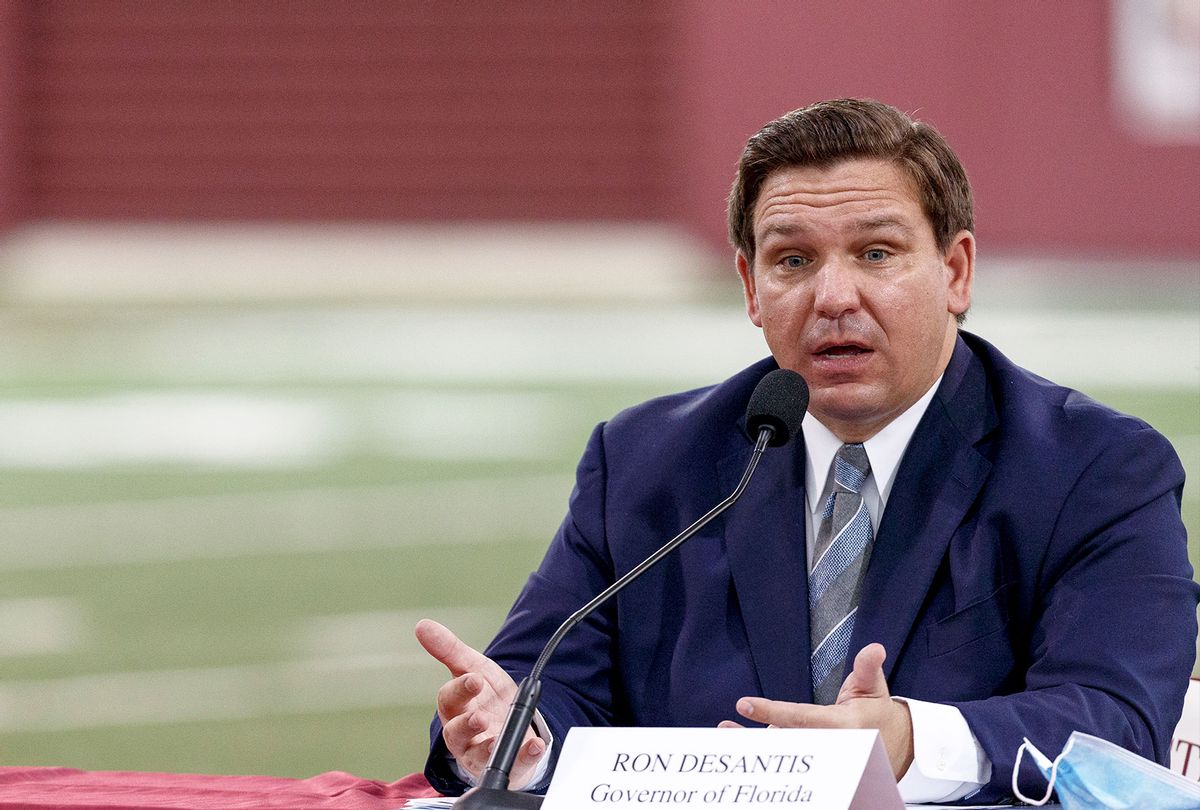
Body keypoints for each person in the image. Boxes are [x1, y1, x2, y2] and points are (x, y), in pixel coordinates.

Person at [415, 98, 1199, 803]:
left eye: (877, 253)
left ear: (955, 272)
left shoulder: (1094, 468)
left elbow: (1117, 725)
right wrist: (515, 734)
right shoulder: (645, 462)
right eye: (793, 261)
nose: (833, 297)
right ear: (752, 288)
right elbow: (543, 690)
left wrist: (906, 740)